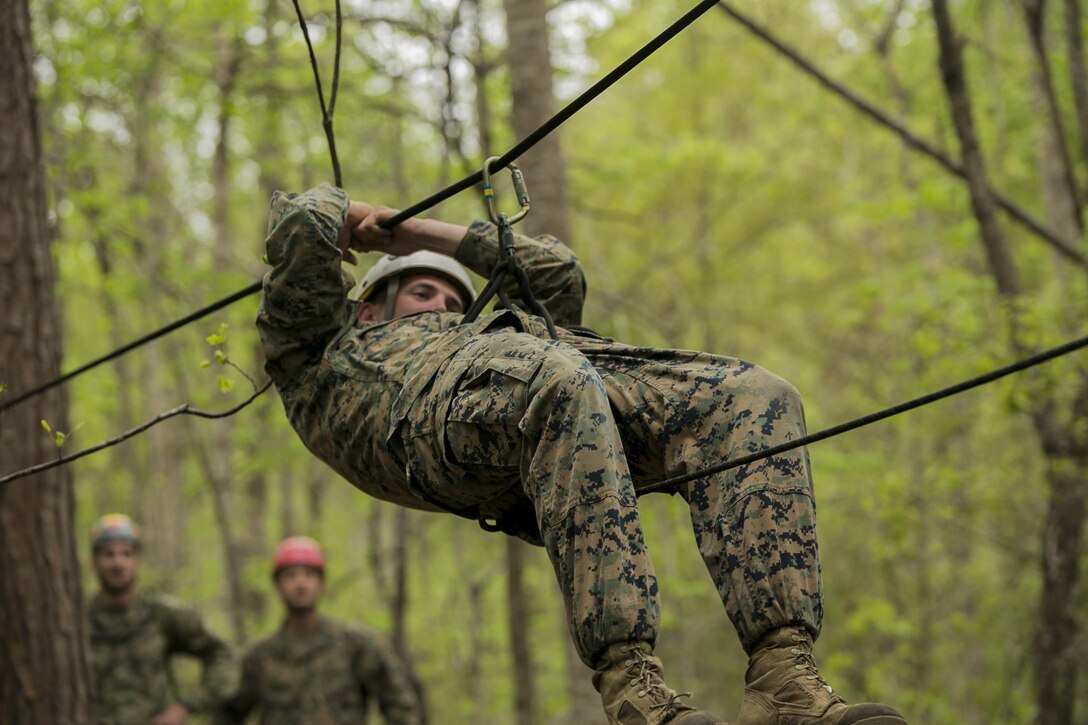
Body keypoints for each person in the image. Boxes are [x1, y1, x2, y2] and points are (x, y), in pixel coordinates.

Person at [256, 183, 908, 725]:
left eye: (456, 299)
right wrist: (361, 225)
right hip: (444, 419)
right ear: (367, 310)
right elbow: (302, 218)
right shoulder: (319, 353)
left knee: (753, 398)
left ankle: (782, 677)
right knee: (560, 378)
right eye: (422, 293)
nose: (445, 305)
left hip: (563, 390)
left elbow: (556, 273)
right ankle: (632, 685)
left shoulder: (499, 337)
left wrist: (415, 236)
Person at [215, 536, 422, 724]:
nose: (300, 583)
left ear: (321, 583)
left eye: (309, 574)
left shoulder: (356, 645)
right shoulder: (258, 657)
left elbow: (399, 704)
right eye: (290, 576)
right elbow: (227, 713)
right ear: (277, 586)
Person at [86, 513, 234, 725]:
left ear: (137, 561)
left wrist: (186, 706)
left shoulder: (161, 615)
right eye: (108, 554)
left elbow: (222, 654)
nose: (118, 563)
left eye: (126, 554)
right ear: (94, 562)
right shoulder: (77, 622)